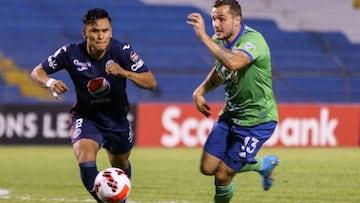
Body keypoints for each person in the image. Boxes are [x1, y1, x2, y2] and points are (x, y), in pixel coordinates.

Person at [30, 8, 157, 203]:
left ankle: (118, 195)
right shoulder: (70, 53)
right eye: (95, 31)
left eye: (105, 31)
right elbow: (37, 72)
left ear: (111, 32)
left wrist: (124, 72)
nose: (100, 36)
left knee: (120, 161)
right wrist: (51, 83)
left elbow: (151, 82)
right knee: (85, 157)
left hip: (117, 119)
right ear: (85, 33)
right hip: (87, 117)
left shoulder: (121, 51)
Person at [186, 0, 279, 202]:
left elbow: (234, 62)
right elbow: (221, 71)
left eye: (221, 19)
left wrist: (202, 37)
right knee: (207, 168)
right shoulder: (218, 41)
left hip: (257, 121)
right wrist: (200, 91)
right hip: (230, 116)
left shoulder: (254, 41)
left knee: (222, 174)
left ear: (237, 20)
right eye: (213, 19)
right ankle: (263, 165)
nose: (216, 24)